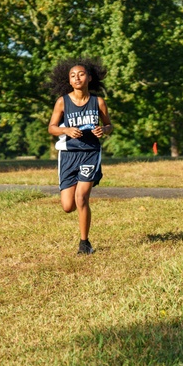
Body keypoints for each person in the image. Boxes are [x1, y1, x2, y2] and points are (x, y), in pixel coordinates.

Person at [47, 58, 113, 255]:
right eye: (73, 75)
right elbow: (51, 128)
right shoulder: (62, 102)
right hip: (68, 155)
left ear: (89, 78)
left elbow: (109, 125)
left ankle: (84, 243)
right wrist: (66, 130)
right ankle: (83, 235)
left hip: (90, 154)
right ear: (69, 80)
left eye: (81, 74)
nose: (77, 78)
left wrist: (104, 130)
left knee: (81, 197)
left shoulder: (97, 102)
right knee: (68, 206)